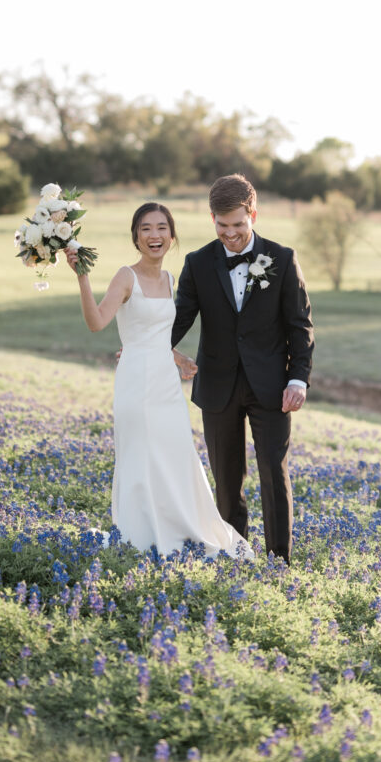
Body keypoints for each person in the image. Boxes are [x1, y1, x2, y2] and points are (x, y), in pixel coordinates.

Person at [66, 202, 252, 559]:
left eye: (162, 228)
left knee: (175, 454)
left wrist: (178, 357)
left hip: (167, 383)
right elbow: (96, 322)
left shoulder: (170, 279)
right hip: (136, 380)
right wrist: (82, 277)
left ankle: (181, 529)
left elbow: (159, 333)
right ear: (136, 237)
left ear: (172, 235)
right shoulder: (126, 276)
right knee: (142, 454)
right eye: (146, 229)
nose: (155, 236)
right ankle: (143, 534)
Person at [171, 174, 314, 564]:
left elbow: (300, 325)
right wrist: (145, 344)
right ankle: (236, 556)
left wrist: (298, 378)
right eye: (222, 225)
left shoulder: (281, 259)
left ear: (253, 214)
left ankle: (278, 562)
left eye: (238, 224)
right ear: (212, 218)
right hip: (217, 387)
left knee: (273, 473)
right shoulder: (198, 263)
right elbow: (178, 318)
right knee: (227, 482)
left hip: (272, 387)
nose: (230, 233)